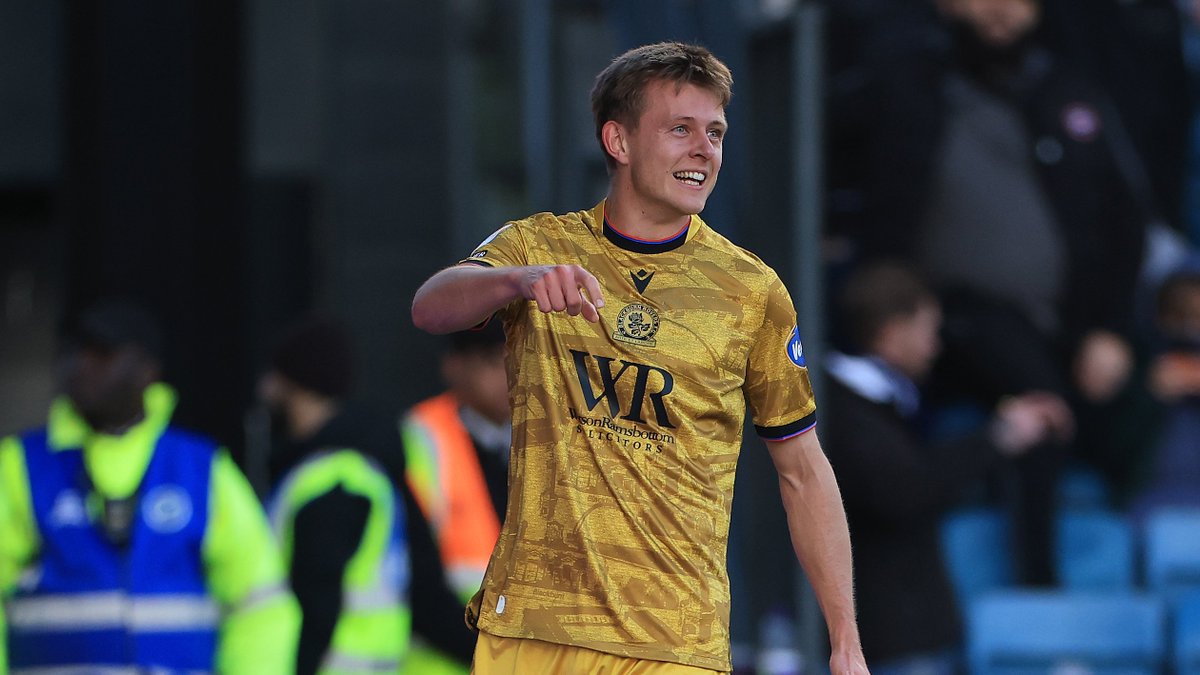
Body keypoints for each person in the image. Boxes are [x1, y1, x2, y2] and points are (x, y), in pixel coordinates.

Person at [412, 41, 868, 675]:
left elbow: (803, 472)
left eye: (715, 133)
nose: (704, 150)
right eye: (680, 129)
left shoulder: (752, 291)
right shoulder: (537, 243)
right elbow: (430, 309)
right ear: (618, 142)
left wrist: (845, 639)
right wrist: (518, 281)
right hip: (532, 628)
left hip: (672, 641)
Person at [825, 0, 1146, 583]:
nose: (1000, 10)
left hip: (1063, 327)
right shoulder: (907, 79)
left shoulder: (1068, 89)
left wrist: (1111, 330)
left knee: (1132, 397)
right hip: (936, 315)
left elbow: (1127, 221)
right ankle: (1038, 594)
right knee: (1041, 405)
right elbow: (829, 162)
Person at [0, 299, 300, 673]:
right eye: (75, 353)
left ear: (147, 370)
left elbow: (259, 605)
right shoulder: (20, 466)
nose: (80, 366)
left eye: (102, 355)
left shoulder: (200, 468)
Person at [821, 262, 1072, 673]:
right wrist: (997, 437)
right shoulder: (845, 412)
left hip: (911, 633)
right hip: (890, 640)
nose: (934, 346)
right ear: (891, 331)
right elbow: (904, 488)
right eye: (927, 331)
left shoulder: (880, 403)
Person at [259, 315, 475, 675]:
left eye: (273, 376)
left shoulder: (334, 478)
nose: (264, 389)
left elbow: (317, 606)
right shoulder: (365, 466)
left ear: (294, 382)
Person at [400, 321, 511, 675]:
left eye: (521, 360)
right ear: (454, 366)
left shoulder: (547, 440)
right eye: (494, 361)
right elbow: (418, 581)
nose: (511, 375)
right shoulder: (423, 439)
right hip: (442, 658)